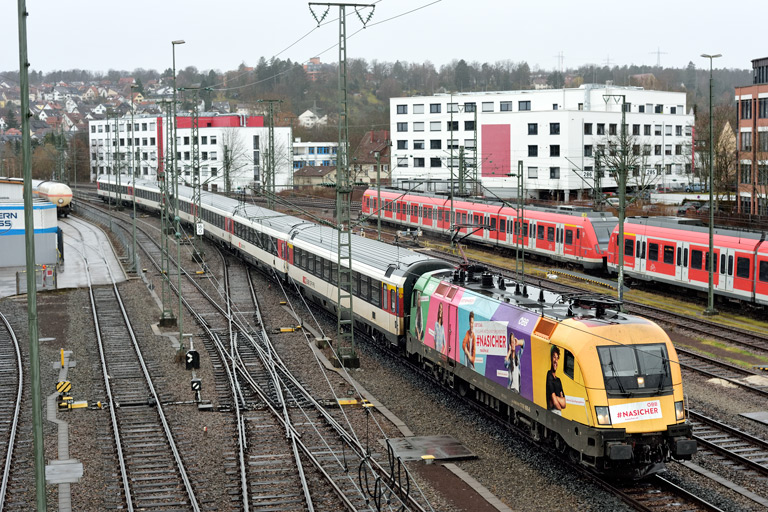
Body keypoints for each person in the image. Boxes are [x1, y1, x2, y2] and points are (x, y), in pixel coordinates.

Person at [545, 345, 566, 415]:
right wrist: (558, 400)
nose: (555, 361)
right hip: (552, 413)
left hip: (559, 414)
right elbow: (555, 402)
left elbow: (564, 404)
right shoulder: (549, 375)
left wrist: (555, 398)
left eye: (557, 358)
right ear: (551, 358)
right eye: (554, 357)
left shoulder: (558, 380)